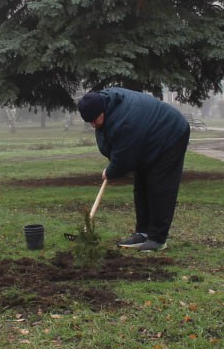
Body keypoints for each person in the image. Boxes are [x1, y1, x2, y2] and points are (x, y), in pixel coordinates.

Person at [77, 88, 191, 253]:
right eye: (89, 122)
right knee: (141, 185)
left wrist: (110, 171)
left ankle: (157, 239)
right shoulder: (105, 105)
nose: (93, 125)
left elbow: (124, 158)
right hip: (148, 138)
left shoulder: (124, 122)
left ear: (102, 111)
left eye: (95, 120)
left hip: (171, 133)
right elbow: (108, 141)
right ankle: (143, 233)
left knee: (159, 186)